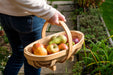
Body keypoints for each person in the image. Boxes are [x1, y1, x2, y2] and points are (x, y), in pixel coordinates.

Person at [0, 0, 66, 75]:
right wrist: (49, 12)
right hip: (27, 16)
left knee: (18, 54)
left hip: (5, 14)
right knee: (33, 60)